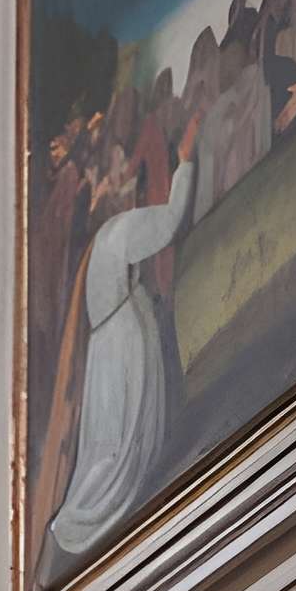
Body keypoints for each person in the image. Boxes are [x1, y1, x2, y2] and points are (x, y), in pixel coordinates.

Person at [45, 129, 202, 568]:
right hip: (120, 345)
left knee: (111, 442)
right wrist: (186, 161)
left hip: (108, 347)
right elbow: (170, 221)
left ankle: (87, 517)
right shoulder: (116, 232)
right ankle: (92, 515)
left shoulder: (99, 242)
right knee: (118, 446)